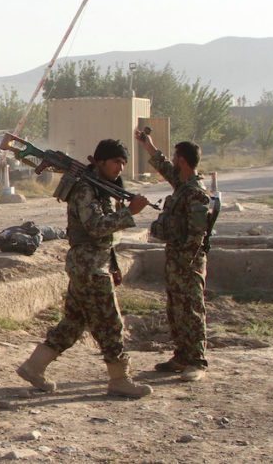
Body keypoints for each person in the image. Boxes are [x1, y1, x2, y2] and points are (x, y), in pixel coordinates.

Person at [16, 139, 153, 398]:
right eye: (115, 162)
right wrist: (129, 213)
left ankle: (34, 367)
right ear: (98, 161)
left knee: (73, 323)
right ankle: (119, 379)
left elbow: (104, 238)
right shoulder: (85, 190)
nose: (119, 168)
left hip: (93, 265)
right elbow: (95, 227)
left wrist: (112, 265)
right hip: (89, 268)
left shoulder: (102, 189)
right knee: (111, 324)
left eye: (123, 163)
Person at [136, 131, 211, 382]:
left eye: (175, 157)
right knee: (175, 309)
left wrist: (186, 262)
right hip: (176, 259)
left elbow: (198, 233)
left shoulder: (196, 193)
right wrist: (149, 146)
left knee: (191, 309)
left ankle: (196, 360)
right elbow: (166, 169)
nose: (173, 161)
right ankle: (181, 355)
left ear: (182, 160)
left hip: (187, 262)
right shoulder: (183, 186)